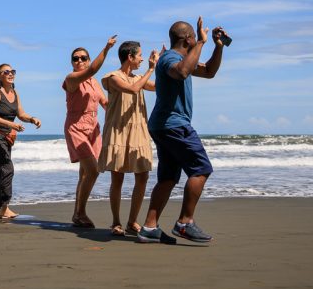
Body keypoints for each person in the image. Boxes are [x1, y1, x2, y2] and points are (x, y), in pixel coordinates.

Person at [138, 17, 227, 244]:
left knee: (168, 178)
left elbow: (208, 72)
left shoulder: (181, 58)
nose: (198, 41)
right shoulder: (169, 59)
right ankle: (185, 223)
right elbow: (182, 72)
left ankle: (149, 228)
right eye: (194, 38)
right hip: (173, 125)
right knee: (201, 169)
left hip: (165, 126)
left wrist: (217, 47)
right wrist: (201, 43)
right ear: (188, 38)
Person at [98, 40, 161, 236]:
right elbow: (132, 89)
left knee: (142, 176)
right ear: (130, 57)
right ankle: (116, 222)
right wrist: (151, 69)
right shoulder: (112, 77)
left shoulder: (139, 78)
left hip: (138, 132)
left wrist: (163, 63)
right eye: (139, 55)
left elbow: (158, 87)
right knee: (117, 177)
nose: (142, 59)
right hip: (118, 131)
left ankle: (132, 221)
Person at [63, 35, 117, 228]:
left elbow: (105, 103)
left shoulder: (93, 82)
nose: (79, 61)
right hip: (76, 128)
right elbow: (93, 68)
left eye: (83, 58)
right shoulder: (71, 79)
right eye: (76, 58)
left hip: (93, 129)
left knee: (84, 174)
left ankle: (77, 215)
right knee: (93, 171)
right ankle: (80, 213)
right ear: (72, 62)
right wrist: (107, 48)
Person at [0, 64, 41, 219]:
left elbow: (20, 114)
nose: (10, 74)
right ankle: (4, 207)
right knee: (7, 168)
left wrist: (31, 119)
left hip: (6, 137)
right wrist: (10, 124)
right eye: (6, 72)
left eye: (12, 71)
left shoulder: (14, 92)